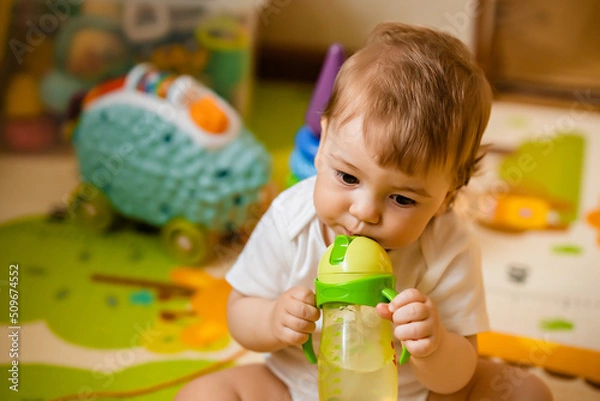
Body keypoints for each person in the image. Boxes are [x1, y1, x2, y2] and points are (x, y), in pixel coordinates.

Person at [175, 22, 553, 401]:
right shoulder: (292, 219)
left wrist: (433, 345)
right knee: (202, 395)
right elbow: (240, 314)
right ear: (322, 147)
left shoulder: (447, 246)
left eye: (402, 199)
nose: (365, 211)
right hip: (297, 386)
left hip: (414, 393)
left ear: (447, 197)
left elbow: (456, 376)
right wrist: (273, 319)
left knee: (527, 393)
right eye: (347, 177)